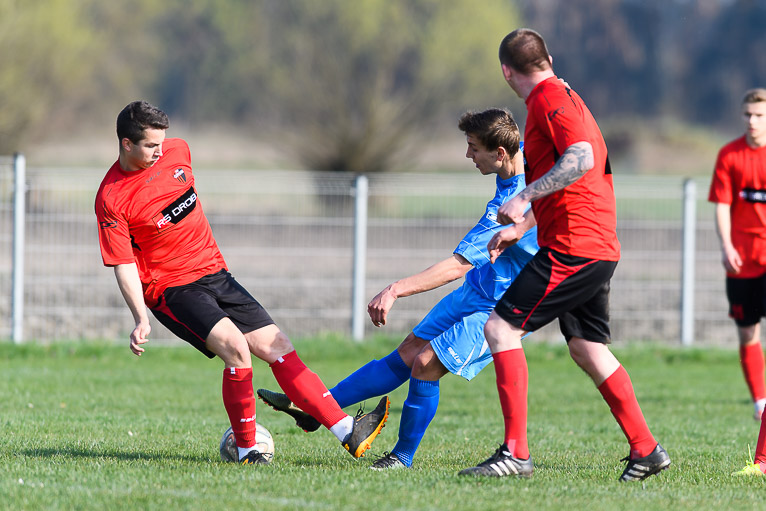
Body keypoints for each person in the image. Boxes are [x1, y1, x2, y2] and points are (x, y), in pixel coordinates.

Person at [94, 100, 389, 466]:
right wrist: (140, 317)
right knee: (236, 349)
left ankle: (347, 431)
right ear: (126, 144)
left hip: (216, 274)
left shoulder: (178, 151)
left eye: (162, 142)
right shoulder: (111, 198)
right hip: (172, 289)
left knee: (278, 346)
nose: (160, 150)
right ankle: (249, 452)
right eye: (151, 145)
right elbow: (123, 264)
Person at [256, 108, 539, 469]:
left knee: (425, 364)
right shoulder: (522, 158)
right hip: (478, 290)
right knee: (407, 352)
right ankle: (317, 408)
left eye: (473, 147)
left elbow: (456, 266)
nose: (468, 154)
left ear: (499, 153)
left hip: (506, 305)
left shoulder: (509, 206)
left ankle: (401, 458)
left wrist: (395, 290)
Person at [458, 29, 670, 482]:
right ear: (549, 59)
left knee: (500, 328)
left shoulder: (549, 100)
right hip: (594, 243)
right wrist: (522, 228)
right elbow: (572, 180)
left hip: (575, 245)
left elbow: (581, 158)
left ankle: (516, 454)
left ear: (506, 72)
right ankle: (646, 450)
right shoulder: (563, 96)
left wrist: (524, 197)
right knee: (587, 347)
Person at [709, 88, 766, 424]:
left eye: (759, 115)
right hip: (742, 260)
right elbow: (722, 205)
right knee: (748, 332)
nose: (752, 121)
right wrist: (726, 246)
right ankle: (760, 402)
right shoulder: (730, 155)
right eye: (747, 114)